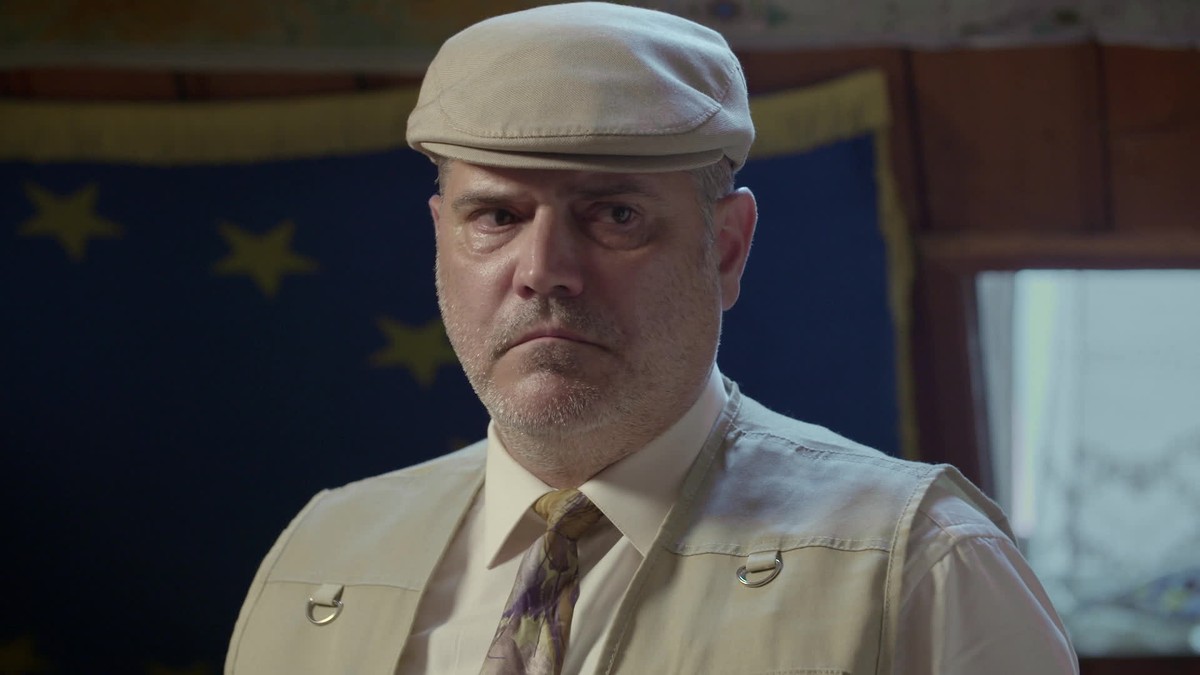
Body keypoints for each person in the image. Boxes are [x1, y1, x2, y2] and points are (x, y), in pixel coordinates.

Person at [226, 3, 1078, 674]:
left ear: (727, 248)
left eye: (615, 214)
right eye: (497, 216)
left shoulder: (920, 564)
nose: (544, 270)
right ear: (441, 239)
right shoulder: (322, 555)